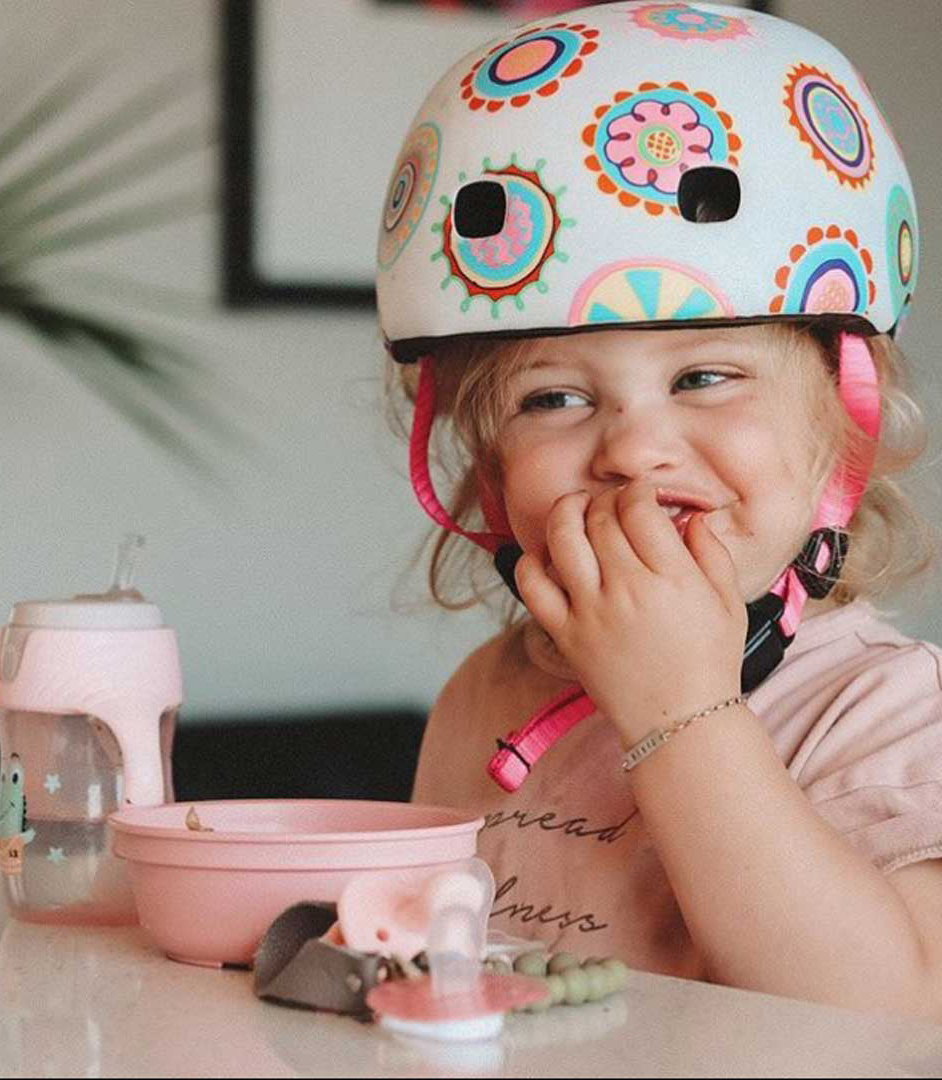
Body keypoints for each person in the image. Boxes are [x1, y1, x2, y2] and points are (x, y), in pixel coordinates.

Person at [374, 1, 942, 1018]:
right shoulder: (482, 694)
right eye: (554, 398)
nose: (633, 448)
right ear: (491, 476)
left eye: (707, 377)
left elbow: (883, 1017)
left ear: (841, 436)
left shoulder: (893, 716)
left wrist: (681, 709)